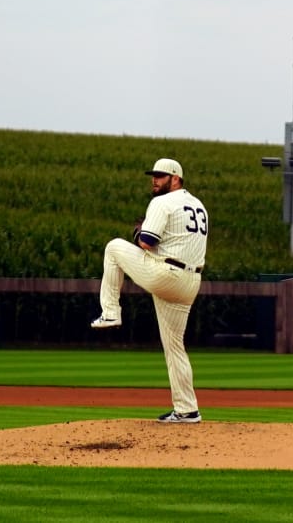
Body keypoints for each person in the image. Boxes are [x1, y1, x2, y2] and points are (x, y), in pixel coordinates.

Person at [89, 158, 209, 423]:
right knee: (175, 347)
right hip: (190, 282)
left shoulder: (162, 203)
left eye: (161, 176)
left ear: (175, 178)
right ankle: (187, 410)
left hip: (166, 274)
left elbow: (146, 242)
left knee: (113, 248)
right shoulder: (198, 205)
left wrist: (139, 231)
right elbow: (174, 242)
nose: (155, 180)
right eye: (153, 175)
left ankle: (110, 312)